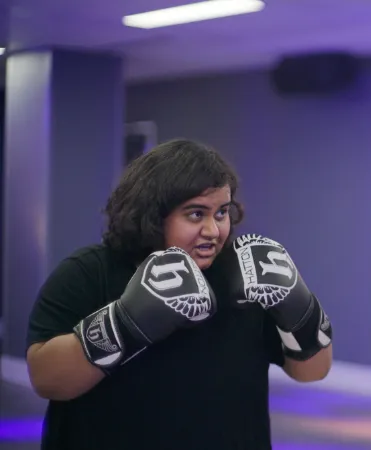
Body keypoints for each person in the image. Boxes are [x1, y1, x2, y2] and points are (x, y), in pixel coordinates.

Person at [25, 139, 334, 450]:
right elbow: (47, 379)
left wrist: (298, 305)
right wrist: (125, 323)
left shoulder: (245, 275)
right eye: (196, 214)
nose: (213, 230)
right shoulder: (88, 272)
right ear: (152, 215)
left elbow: (313, 371)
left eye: (222, 212)